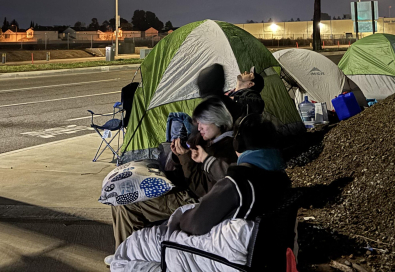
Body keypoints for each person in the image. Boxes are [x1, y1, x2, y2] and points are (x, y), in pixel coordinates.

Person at [110, 114, 290, 272]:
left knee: (128, 254)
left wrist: (183, 215)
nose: (199, 126)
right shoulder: (279, 178)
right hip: (254, 256)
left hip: (214, 257)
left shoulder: (237, 183)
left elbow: (193, 225)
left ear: (239, 144)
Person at [105, 97, 236, 264]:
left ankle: (124, 257)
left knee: (127, 204)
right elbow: (181, 171)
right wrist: (176, 156)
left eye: (203, 123)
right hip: (182, 190)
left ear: (217, 121)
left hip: (193, 199)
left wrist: (186, 158)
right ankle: (126, 252)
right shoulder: (206, 139)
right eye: (198, 123)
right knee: (122, 198)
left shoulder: (226, 148)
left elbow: (202, 188)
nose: (199, 127)